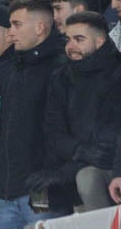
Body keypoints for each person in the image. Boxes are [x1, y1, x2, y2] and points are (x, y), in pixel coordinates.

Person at [0, 0, 66, 229]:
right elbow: (2, 131)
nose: (10, 33)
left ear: (40, 27)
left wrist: (52, 179)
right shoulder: (13, 73)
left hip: (44, 195)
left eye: (17, 25)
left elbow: (63, 130)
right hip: (7, 194)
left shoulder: (61, 69)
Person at [41, 11, 121, 212]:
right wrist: (80, 151)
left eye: (79, 39)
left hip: (114, 165)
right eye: (68, 39)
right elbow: (53, 131)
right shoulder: (60, 78)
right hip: (79, 168)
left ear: (100, 41)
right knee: (85, 178)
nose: (71, 46)